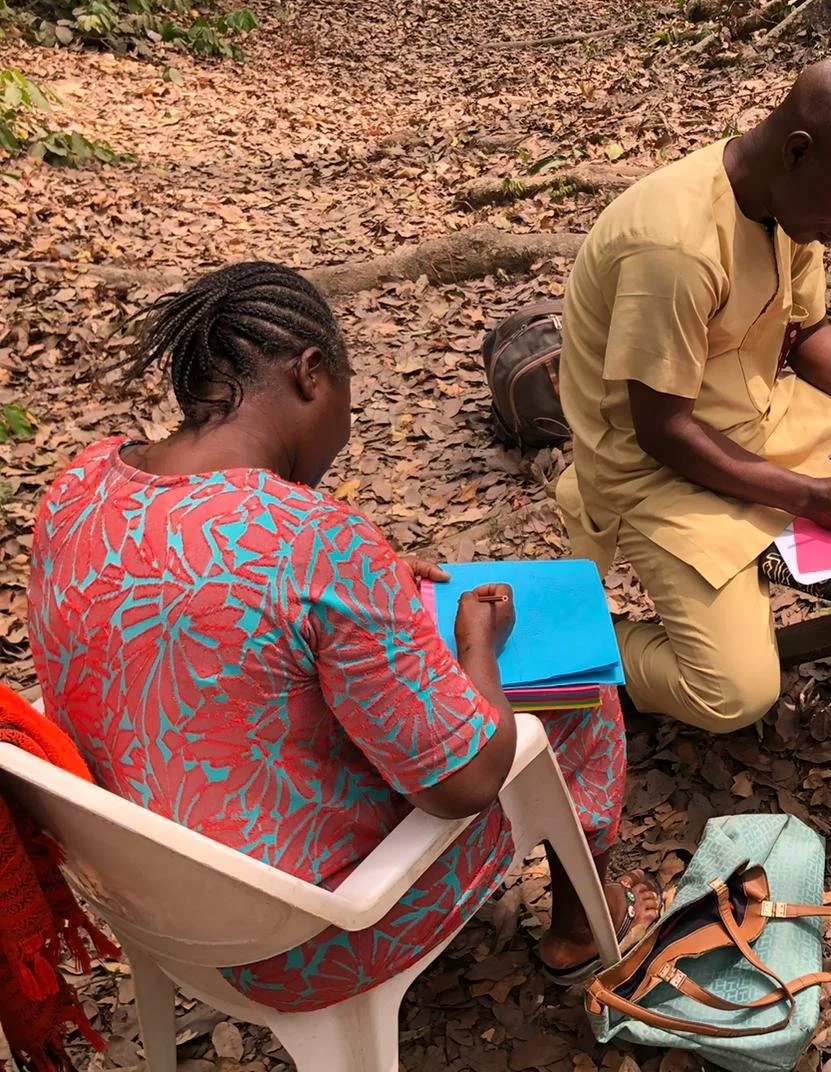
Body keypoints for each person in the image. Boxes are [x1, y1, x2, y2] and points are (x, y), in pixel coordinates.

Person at [27, 262, 659, 1012]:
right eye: (349, 400)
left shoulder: (81, 487)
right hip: (302, 942)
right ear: (312, 373)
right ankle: (584, 930)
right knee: (581, 706)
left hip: (146, 900)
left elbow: (199, 588)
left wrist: (369, 582)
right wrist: (476, 648)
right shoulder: (315, 541)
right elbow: (467, 783)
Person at [557, 56, 831, 734]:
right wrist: (809, 497)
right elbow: (663, 430)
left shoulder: (786, 206)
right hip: (657, 473)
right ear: (797, 152)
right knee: (732, 695)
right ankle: (572, 644)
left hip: (758, 418)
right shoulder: (677, 245)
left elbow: (806, 331)